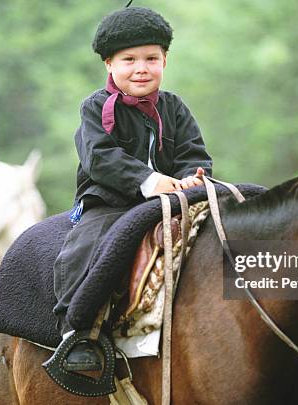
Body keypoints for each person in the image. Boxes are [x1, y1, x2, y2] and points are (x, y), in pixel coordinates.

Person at [51, 5, 213, 371]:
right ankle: (76, 330)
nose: (141, 68)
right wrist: (150, 180)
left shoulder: (174, 107)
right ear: (109, 64)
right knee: (87, 246)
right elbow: (100, 158)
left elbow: (193, 152)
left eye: (151, 58)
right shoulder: (95, 107)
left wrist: (191, 178)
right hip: (111, 202)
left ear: (165, 61)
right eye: (129, 59)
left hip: (174, 200)